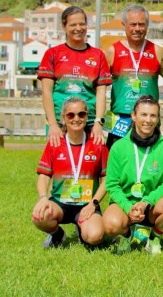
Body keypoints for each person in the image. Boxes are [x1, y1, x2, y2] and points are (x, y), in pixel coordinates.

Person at [103, 95, 163, 255]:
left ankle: (153, 238)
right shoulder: (118, 147)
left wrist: (145, 202)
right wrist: (128, 207)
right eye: (143, 114)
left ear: (158, 118)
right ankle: (126, 236)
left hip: (151, 206)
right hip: (125, 205)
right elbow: (112, 184)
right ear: (133, 116)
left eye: (153, 115)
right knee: (111, 224)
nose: (148, 120)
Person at [32, 97, 107, 247]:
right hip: (60, 203)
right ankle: (57, 235)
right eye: (70, 115)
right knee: (40, 216)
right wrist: (43, 198)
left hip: (87, 204)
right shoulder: (55, 143)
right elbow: (44, 176)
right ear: (63, 118)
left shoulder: (97, 143)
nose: (76, 119)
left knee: (95, 236)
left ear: (87, 117)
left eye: (81, 114)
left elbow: (107, 180)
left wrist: (94, 203)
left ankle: (82, 230)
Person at [37, 6, 111, 147]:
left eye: (82, 24)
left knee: (91, 166)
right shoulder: (52, 54)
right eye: (73, 24)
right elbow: (46, 92)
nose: (78, 28)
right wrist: (52, 124)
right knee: (59, 166)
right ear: (64, 26)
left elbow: (101, 93)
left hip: (88, 123)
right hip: (60, 123)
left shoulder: (98, 55)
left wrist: (98, 123)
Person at [104, 4, 163, 149]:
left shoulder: (157, 51)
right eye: (132, 24)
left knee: (149, 165)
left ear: (147, 26)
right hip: (119, 120)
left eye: (141, 24)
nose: (137, 29)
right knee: (116, 166)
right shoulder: (112, 51)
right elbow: (97, 85)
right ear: (124, 25)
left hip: (149, 120)